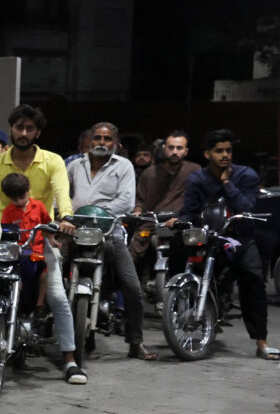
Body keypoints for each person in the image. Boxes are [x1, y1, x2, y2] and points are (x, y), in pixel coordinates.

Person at [178, 129, 276, 360]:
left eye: (228, 151)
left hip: (240, 238)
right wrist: (179, 220)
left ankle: (261, 342)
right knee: (185, 259)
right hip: (211, 237)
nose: (225, 155)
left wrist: (227, 183)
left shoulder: (246, 175)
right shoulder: (197, 179)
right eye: (219, 151)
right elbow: (190, 211)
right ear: (207, 154)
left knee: (253, 283)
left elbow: (247, 208)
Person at [67, 122, 156, 361]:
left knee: (132, 287)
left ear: (115, 144)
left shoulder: (124, 166)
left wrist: (95, 214)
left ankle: (135, 342)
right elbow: (63, 195)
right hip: (77, 232)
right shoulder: (75, 165)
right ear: (90, 140)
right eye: (97, 138)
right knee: (51, 274)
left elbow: (126, 201)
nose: (101, 143)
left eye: (107, 139)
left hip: (110, 233)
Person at [0, 174, 87, 384]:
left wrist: (55, 238)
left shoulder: (38, 205)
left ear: (29, 190)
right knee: (4, 283)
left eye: (22, 196)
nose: (20, 201)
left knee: (56, 295)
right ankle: (2, 340)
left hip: (39, 251)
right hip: (19, 252)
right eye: (15, 198)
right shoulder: (8, 210)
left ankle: (69, 358)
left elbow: (49, 225)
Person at [0, 105, 74, 220]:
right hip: (5, 232)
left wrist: (66, 216)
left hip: (41, 231)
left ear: (38, 133)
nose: (23, 133)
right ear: (10, 131)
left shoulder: (53, 161)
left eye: (29, 129)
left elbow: (61, 193)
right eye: (19, 127)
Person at [131, 130, 201, 274]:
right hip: (153, 220)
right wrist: (137, 211)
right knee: (133, 251)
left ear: (186, 151)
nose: (175, 152)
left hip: (181, 220)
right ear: (164, 149)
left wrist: (184, 217)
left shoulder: (194, 171)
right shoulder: (150, 173)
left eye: (179, 148)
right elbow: (140, 199)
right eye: (171, 148)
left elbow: (199, 199)